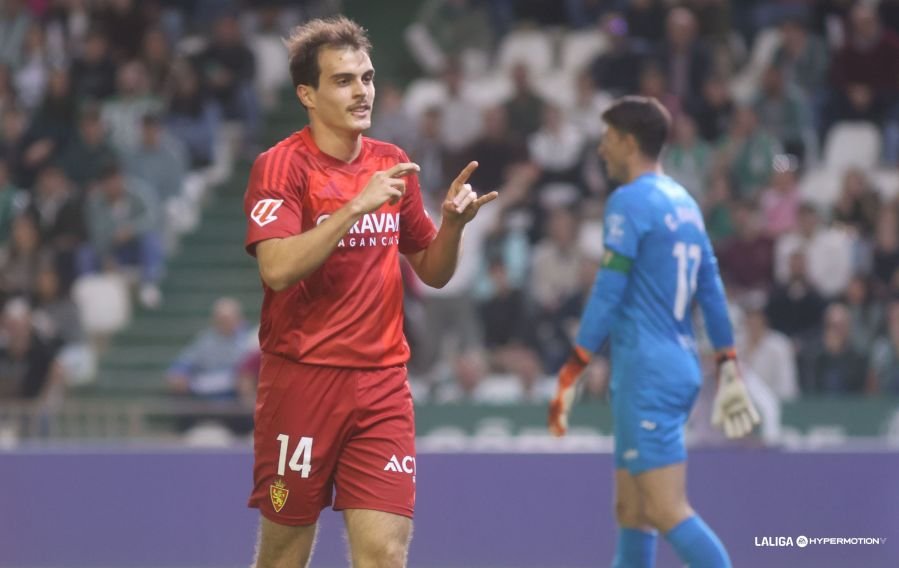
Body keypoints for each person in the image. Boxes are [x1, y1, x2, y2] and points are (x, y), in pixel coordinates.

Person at [241, 17, 496, 568]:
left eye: (368, 77)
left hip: (382, 386)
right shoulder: (280, 167)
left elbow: (431, 270)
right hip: (302, 383)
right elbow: (277, 269)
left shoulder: (389, 161)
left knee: (384, 554)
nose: (362, 91)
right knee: (283, 556)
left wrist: (452, 225)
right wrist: (352, 207)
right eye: (343, 80)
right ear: (306, 94)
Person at [547, 97, 759, 568]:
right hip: (673, 365)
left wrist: (573, 367)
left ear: (626, 141)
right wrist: (728, 364)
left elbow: (607, 291)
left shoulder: (629, 201)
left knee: (665, 509)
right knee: (632, 511)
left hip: (647, 370)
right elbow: (713, 291)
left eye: (605, 139)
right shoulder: (685, 203)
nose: (601, 150)